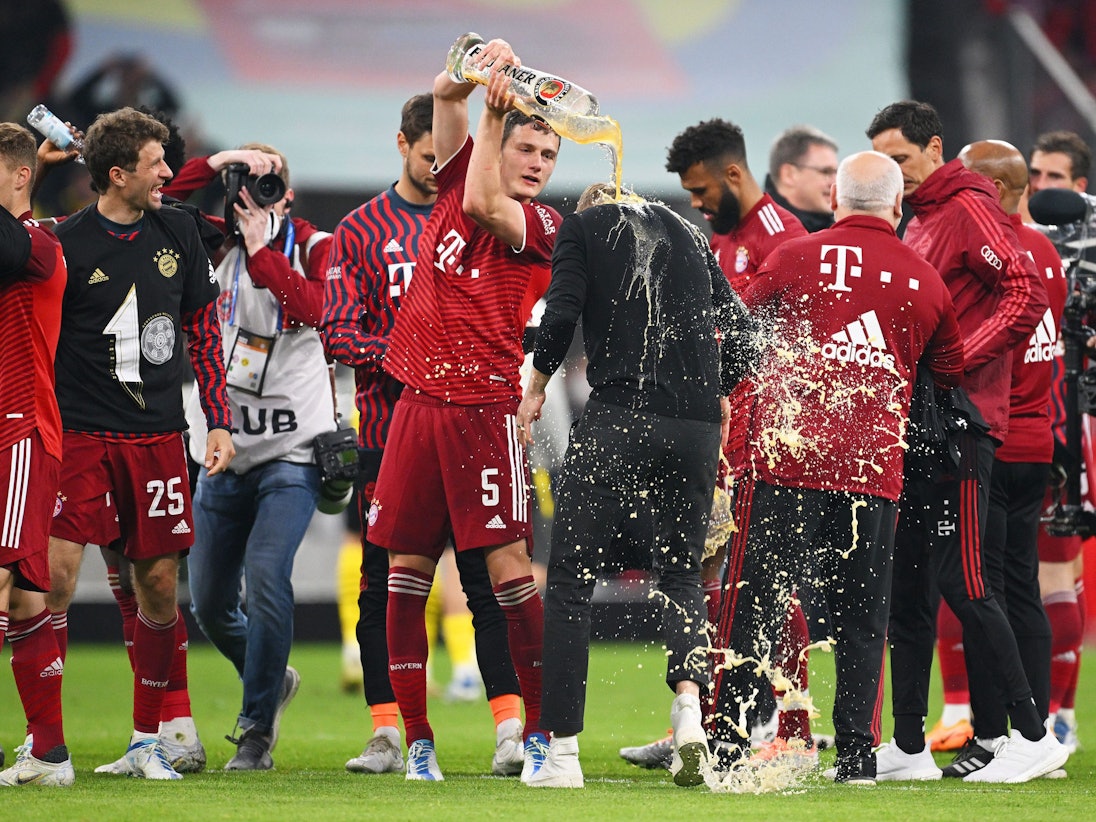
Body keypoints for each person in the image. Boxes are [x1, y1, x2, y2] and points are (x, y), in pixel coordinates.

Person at [713, 150, 965, 785]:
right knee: (861, 619)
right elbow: (949, 372)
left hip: (784, 463)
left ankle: (729, 749)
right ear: (898, 204)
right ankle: (856, 759)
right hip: (871, 474)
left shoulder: (792, 258)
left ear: (835, 200)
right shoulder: (926, 280)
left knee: (754, 606)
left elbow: (738, 334)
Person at [515, 182, 760, 788]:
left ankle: (562, 756)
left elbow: (562, 312)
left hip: (620, 416)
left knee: (570, 578)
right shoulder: (689, 236)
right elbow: (747, 338)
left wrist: (537, 384)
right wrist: (722, 391)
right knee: (680, 575)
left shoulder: (585, 229)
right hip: (697, 428)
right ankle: (689, 717)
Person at [365, 40, 561, 783]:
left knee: (511, 575)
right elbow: (445, 100)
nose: (540, 162)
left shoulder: (545, 229)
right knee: (404, 572)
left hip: (485, 413)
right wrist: (473, 70)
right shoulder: (455, 177)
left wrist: (494, 108)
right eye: (528, 147)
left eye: (550, 152)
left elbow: (484, 200)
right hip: (418, 406)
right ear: (498, 147)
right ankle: (417, 742)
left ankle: (538, 735)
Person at [322, 93, 524, 777]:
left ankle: (508, 726)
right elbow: (339, 330)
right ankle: (388, 731)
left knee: (483, 578)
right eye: (429, 155)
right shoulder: (359, 230)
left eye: (449, 157)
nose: (441, 167)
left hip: (469, 425)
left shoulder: (477, 216)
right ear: (402, 145)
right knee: (383, 584)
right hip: (391, 428)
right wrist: (418, 354)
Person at [868, 100, 1065, 783]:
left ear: (933, 150)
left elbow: (1023, 293)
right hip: (923, 425)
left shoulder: (967, 204)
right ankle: (910, 746)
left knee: (968, 582)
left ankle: (1034, 736)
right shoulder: (921, 219)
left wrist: (953, 365)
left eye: (900, 159)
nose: (894, 173)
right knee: (912, 587)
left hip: (961, 426)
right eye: (884, 163)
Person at [48, 106, 234, 780]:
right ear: (119, 174)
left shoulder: (178, 229)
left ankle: (147, 742)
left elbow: (205, 335)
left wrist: (216, 419)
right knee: (55, 583)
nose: (170, 172)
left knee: (157, 585)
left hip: (157, 437)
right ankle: (46, 748)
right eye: (158, 163)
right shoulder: (63, 243)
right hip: (78, 435)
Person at [662, 117, 817, 757]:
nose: (696, 204)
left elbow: (794, 343)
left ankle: (795, 728)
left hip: (766, 435)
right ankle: (707, 716)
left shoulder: (783, 237)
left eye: (700, 190)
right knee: (711, 574)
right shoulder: (722, 239)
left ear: (733, 174)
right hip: (723, 433)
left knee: (769, 579)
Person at [183, 142, 331, 771]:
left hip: (293, 450)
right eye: (246, 185)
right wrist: (220, 160)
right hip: (226, 446)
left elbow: (319, 309)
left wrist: (264, 251)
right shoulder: (210, 242)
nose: (255, 198)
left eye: (268, 185)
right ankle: (271, 677)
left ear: (288, 195)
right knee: (209, 600)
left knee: (268, 578)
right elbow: (153, 198)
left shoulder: (317, 244)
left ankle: (255, 729)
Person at [925, 140, 1068, 771]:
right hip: (1040, 439)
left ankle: (995, 736)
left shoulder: (994, 254)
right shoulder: (1048, 255)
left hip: (994, 434)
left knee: (978, 589)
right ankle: (1040, 730)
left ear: (996, 191)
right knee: (1022, 591)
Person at [0, 122, 72, 787]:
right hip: (9, 432)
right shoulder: (25, 238)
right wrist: (36, 172)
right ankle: (49, 754)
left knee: (2, 584)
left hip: (19, 434)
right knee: (22, 600)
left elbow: (11, 237)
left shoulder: (39, 249)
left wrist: (30, 176)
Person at [1023, 129, 1094, 754]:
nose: (1040, 187)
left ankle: (1056, 718)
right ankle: (1045, 718)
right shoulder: (1019, 235)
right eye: (1034, 175)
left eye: (1053, 178)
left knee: (1055, 563)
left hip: (1074, 419)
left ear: (1080, 186)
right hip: (1031, 412)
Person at [764, 125, 839, 233]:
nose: (834, 183)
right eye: (826, 172)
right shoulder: (755, 232)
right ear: (789, 175)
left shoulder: (839, 229)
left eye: (837, 173)